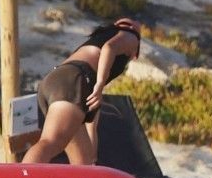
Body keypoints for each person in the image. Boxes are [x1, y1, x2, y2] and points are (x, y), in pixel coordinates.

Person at [22, 18, 142, 165]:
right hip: (73, 81)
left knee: (84, 160)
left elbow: (91, 122)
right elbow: (109, 48)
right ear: (135, 53)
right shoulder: (130, 35)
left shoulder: (96, 44)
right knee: (51, 142)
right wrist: (99, 84)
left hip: (56, 81)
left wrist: (93, 155)